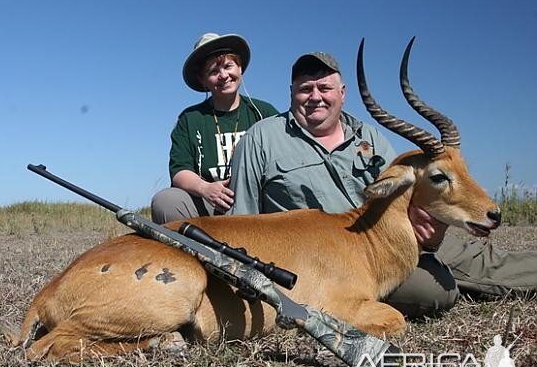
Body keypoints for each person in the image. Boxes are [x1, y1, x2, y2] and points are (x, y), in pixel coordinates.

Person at [228, 51, 537, 318]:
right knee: (435, 291)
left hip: (405, 234)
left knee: (489, 262)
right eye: (305, 88)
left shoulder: (369, 136)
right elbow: (244, 219)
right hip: (338, 259)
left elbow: (410, 194)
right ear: (291, 91)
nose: (315, 96)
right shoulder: (262, 138)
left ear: (343, 92)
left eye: (325, 87)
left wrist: (433, 232)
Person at [151, 33, 279, 224]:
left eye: (228, 66)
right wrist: (206, 189)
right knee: (165, 202)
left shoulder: (264, 112)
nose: (224, 75)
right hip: (210, 204)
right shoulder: (190, 119)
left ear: (240, 68)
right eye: (213, 71)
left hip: (259, 203)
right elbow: (179, 171)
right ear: (203, 80)